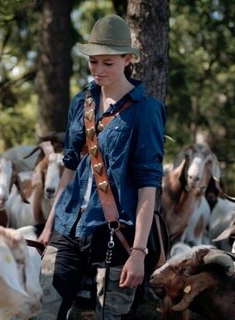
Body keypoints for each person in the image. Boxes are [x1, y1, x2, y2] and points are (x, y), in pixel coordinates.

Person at [37, 14, 166, 320]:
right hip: (67, 226)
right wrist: (49, 225)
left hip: (115, 232)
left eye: (108, 62)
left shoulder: (146, 111)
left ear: (127, 59)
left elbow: (148, 186)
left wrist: (138, 252)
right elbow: (69, 167)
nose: (98, 70)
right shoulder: (81, 102)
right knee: (44, 310)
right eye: (93, 61)